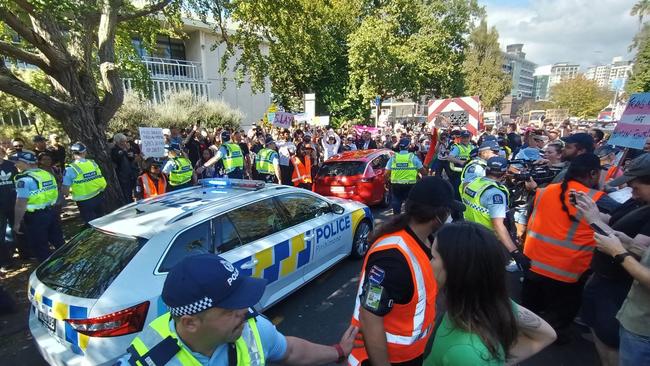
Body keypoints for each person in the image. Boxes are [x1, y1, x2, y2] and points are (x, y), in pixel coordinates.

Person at [120, 254, 358, 366]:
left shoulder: (250, 327)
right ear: (190, 323)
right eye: (229, 309)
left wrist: (338, 351)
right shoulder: (148, 360)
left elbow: (291, 350)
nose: (244, 311)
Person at [349, 177, 465, 366]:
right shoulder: (392, 258)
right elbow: (370, 318)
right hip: (382, 359)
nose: (451, 216)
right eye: (449, 211)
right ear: (438, 215)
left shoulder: (427, 240)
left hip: (411, 354)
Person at [424, 222, 556, 366]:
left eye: (434, 257)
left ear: (456, 270)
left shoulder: (465, 354)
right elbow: (546, 334)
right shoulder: (488, 302)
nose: (429, 264)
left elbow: (545, 336)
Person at [522, 153, 607, 344]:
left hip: (533, 261)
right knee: (559, 313)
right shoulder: (597, 199)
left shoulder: (544, 191)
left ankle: (528, 333)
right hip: (568, 270)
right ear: (593, 173)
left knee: (531, 308)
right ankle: (550, 338)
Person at [574, 153, 650, 366]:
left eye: (636, 188)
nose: (633, 194)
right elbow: (617, 225)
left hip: (621, 290)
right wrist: (591, 213)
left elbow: (638, 255)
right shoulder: (637, 203)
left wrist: (618, 249)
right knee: (601, 335)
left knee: (613, 342)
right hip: (604, 279)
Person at [460, 157, 525, 270]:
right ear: (504, 173)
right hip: (487, 239)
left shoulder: (474, 182)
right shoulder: (496, 194)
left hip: (469, 232)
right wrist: (515, 252)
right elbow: (498, 225)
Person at [10, 151, 64, 262]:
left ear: (26, 163)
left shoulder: (23, 180)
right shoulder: (46, 174)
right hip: (51, 212)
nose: (15, 165)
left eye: (17, 162)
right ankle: (69, 262)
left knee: (40, 246)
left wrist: (17, 223)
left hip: (35, 217)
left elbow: (21, 203)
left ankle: (47, 273)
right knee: (59, 242)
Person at [61, 143, 107, 224]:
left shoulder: (70, 169)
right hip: (98, 196)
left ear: (72, 153)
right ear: (84, 152)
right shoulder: (92, 163)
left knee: (91, 224)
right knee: (102, 221)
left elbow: (65, 191)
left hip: (84, 202)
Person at [385, 139, 427, 215]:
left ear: (399, 147)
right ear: (408, 147)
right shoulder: (413, 157)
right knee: (410, 206)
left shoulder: (393, 158)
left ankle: (397, 220)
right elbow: (424, 172)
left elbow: (386, 174)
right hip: (410, 185)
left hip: (396, 185)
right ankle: (409, 220)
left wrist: (387, 181)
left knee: (396, 203)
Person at [0, 147, 18, 270]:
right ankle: (5, 261)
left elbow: (18, 181)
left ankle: (26, 253)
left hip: (14, 203)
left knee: (19, 228)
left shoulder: (11, 165)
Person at [447, 130, 475, 199]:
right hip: (458, 174)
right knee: (458, 193)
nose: (465, 139)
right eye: (463, 137)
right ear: (460, 138)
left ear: (470, 138)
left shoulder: (472, 147)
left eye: (467, 137)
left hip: (468, 173)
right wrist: (460, 162)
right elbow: (449, 158)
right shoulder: (457, 147)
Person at [111, 133, 138, 203]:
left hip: (131, 175)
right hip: (123, 177)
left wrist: (131, 154)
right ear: (120, 142)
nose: (126, 143)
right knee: (127, 195)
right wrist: (124, 152)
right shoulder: (115, 150)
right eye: (124, 141)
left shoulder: (125, 149)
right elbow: (117, 159)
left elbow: (132, 158)